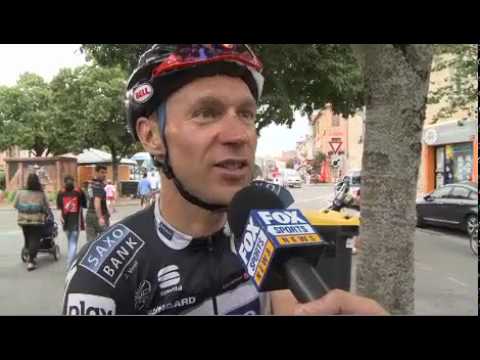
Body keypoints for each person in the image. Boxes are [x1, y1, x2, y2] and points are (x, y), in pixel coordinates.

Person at [63, 44, 387, 315]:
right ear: (151, 136)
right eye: (206, 112)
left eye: (246, 115)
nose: (239, 135)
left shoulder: (264, 232)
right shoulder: (103, 278)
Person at [14, 173, 50, 271]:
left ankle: (27, 250)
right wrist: (46, 213)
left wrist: (25, 207)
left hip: (23, 220)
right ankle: (31, 261)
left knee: (27, 237)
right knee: (34, 239)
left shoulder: (20, 192)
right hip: (36, 221)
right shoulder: (40, 193)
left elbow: (15, 205)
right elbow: (46, 206)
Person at [57, 176, 87, 269]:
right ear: (73, 182)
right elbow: (85, 204)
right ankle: (70, 264)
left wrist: (61, 216)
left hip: (65, 221)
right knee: (73, 243)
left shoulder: (61, 192)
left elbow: (59, 207)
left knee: (70, 241)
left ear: (64, 182)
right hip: (76, 221)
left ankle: (71, 261)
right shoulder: (79, 192)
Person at [85, 165, 110, 242]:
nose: (104, 175)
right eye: (102, 172)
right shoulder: (98, 186)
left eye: (105, 173)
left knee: (90, 241)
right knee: (105, 240)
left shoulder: (90, 184)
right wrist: (100, 217)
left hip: (89, 215)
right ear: (96, 172)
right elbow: (97, 202)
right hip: (98, 215)